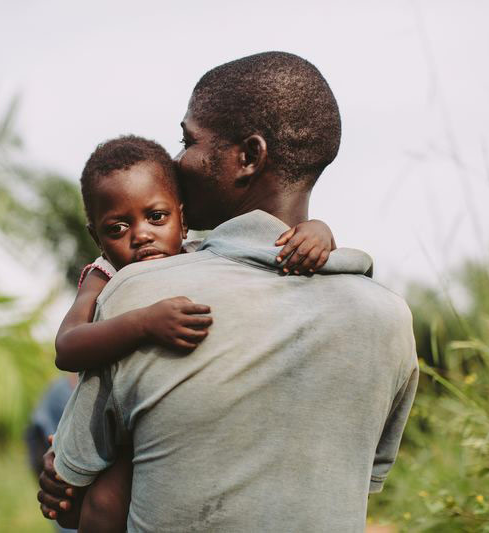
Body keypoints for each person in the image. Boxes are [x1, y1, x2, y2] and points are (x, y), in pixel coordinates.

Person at [40, 51, 418, 532]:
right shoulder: (389, 319)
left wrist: (65, 470)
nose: (178, 160)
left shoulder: (141, 296)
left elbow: (70, 481)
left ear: (249, 157)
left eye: (188, 140)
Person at [46, 134, 336, 532]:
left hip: (186, 426)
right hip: (116, 427)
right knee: (100, 504)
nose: (141, 234)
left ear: (182, 218)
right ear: (97, 237)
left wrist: (318, 231)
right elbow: (67, 347)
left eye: (157, 217)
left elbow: (276, 248)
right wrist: (143, 323)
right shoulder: (104, 276)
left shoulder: (204, 253)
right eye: (117, 227)